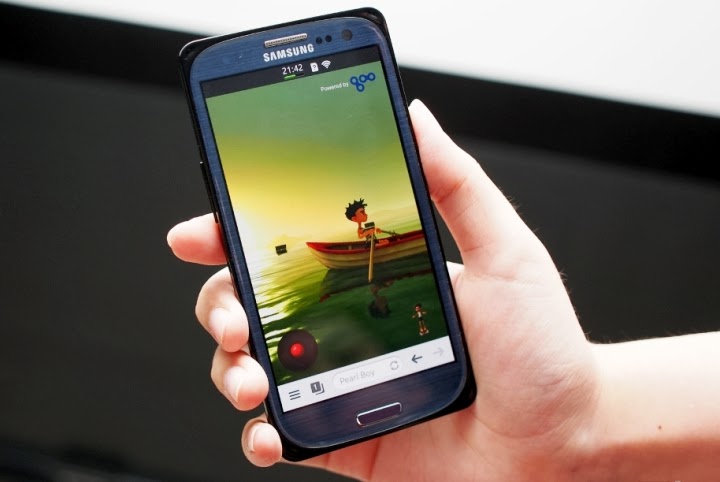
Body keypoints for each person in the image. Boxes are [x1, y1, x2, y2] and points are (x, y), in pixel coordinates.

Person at [167, 100, 720, 481]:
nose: (359, 217)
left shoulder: (369, 227)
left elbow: (374, 234)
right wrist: (576, 432)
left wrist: (579, 427)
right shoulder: (362, 227)